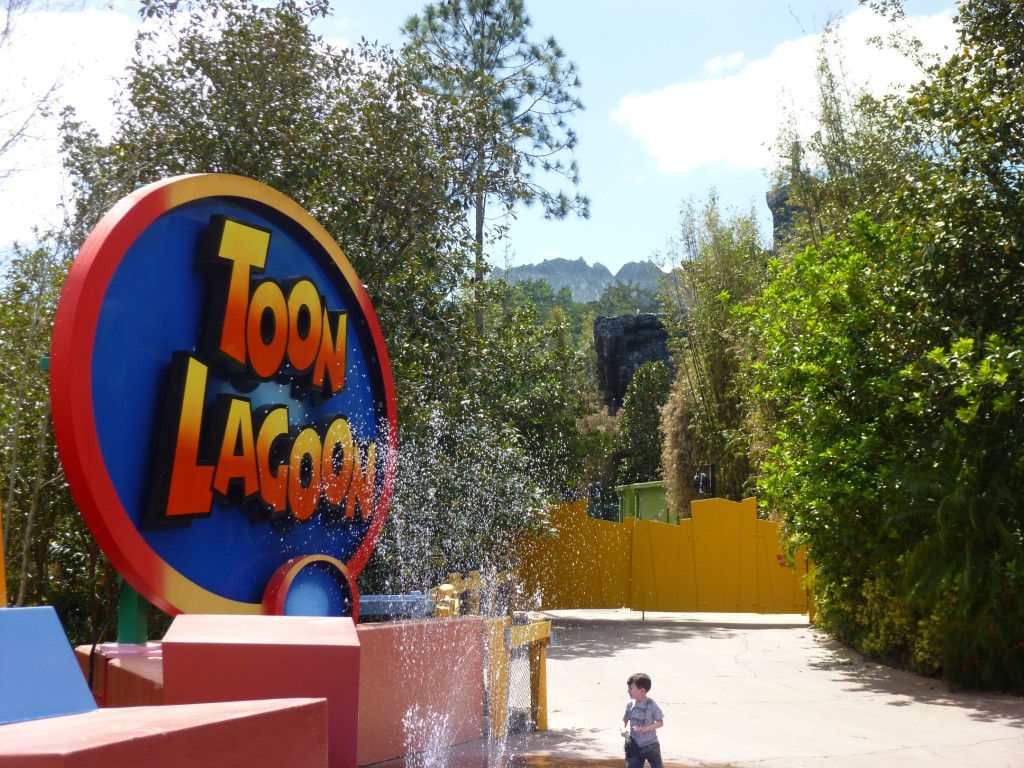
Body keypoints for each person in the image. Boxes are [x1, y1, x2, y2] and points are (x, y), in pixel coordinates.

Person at [621, 672, 664, 768]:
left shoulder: (651, 704)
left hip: (651, 745)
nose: (628, 691)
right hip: (634, 745)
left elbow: (660, 723)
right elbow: (624, 720)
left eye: (631, 688)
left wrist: (645, 729)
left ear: (642, 690)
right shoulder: (630, 704)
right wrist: (622, 729)